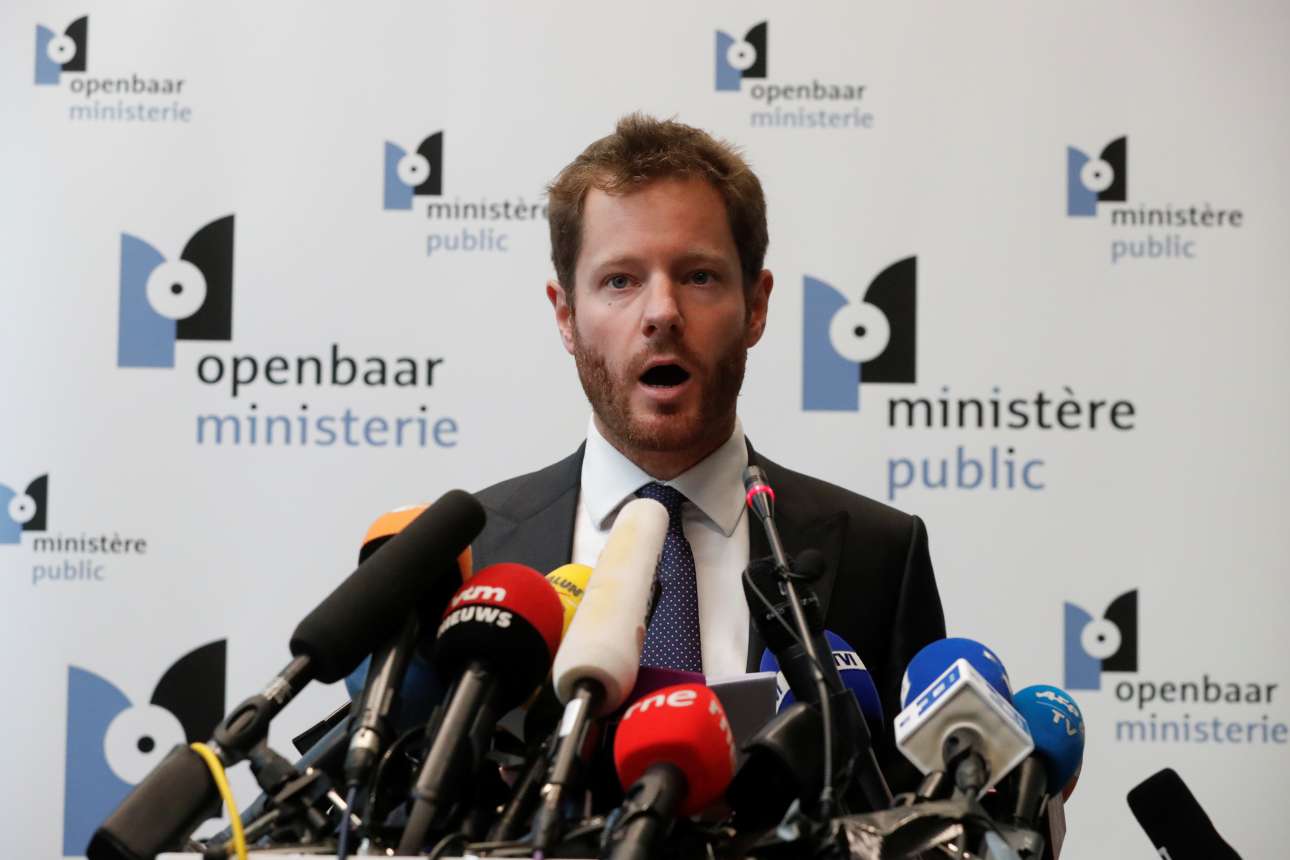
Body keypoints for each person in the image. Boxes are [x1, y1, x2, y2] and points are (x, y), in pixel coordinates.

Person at [471, 114, 944, 782]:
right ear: (565, 316)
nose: (662, 312)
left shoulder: (880, 555)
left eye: (698, 276)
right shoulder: (477, 558)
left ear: (756, 306)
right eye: (620, 280)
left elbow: (919, 814)